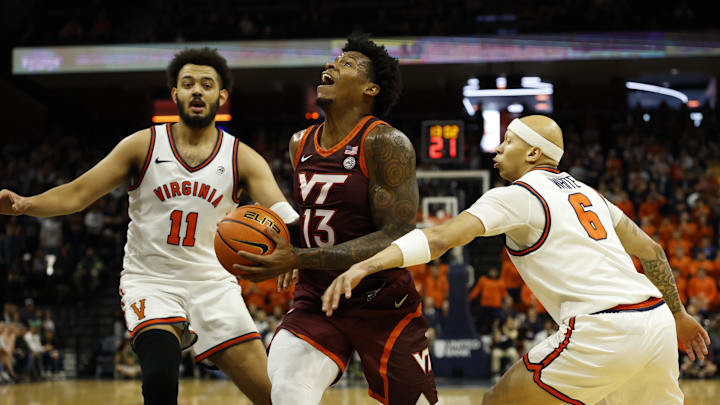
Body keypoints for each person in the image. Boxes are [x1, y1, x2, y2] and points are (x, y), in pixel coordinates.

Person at [326, 115, 711, 404]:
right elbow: (653, 251)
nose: (496, 149)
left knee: (497, 403)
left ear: (533, 152)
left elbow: (441, 238)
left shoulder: (516, 194)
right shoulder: (591, 194)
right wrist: (678, 314)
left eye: (506, 141)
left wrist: (365, 265)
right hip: (657, 321)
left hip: (603, 329)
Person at [0, 48, 300, 405]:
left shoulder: (242, 157)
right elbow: (79, 193)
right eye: (187, 84)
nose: (197, 92)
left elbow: (282, 210)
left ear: (221, 96)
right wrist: (25, 205)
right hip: (151, 281)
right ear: (174, 94)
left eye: (206, 84)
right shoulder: (141, 146)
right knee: (159, 380)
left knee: (273, 396)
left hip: (212, 285)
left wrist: (301, 250)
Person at [233, 34, 438, 405]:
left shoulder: (386, 143)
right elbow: (316, 216)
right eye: (333, 61)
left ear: (370, 88)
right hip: (317, 299)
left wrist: (300, 258)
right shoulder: (300, 143)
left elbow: (397, 234)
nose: (331, 66)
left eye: (346, 64)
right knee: (288, 391)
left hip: (381, 301)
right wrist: (289, 241)